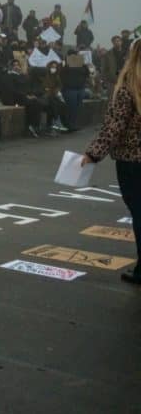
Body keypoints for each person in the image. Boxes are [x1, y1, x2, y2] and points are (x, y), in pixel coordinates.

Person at [82, 39, 141, 284]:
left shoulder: (129, 86)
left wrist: (93, 154)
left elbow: (113, 127)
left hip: (132, 160)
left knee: (139, 211)